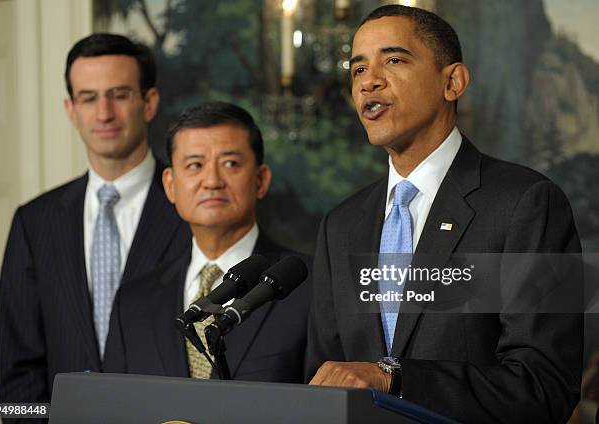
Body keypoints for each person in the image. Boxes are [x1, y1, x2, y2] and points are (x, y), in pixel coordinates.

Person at [306, 5, 582, 423]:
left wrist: (393, 378)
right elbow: (323, 379)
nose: (369, 82)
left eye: (394, 60)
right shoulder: (340, 225)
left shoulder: (529, 203)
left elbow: (545, 386)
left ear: (453, 81)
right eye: (358, 69)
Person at [0, 33, 190, 406]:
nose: (104, 113)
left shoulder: (190, 209)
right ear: (71, 109)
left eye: (118, 95)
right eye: (88, 98)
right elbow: (15, 372)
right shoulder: (34, 222)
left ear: (149, 103)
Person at [104, 101, 308, 383]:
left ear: (260, 180)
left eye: (230, 164)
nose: (212, 181)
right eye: (195, 165)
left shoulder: (309, 288)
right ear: (170, 185)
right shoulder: (133, 303)